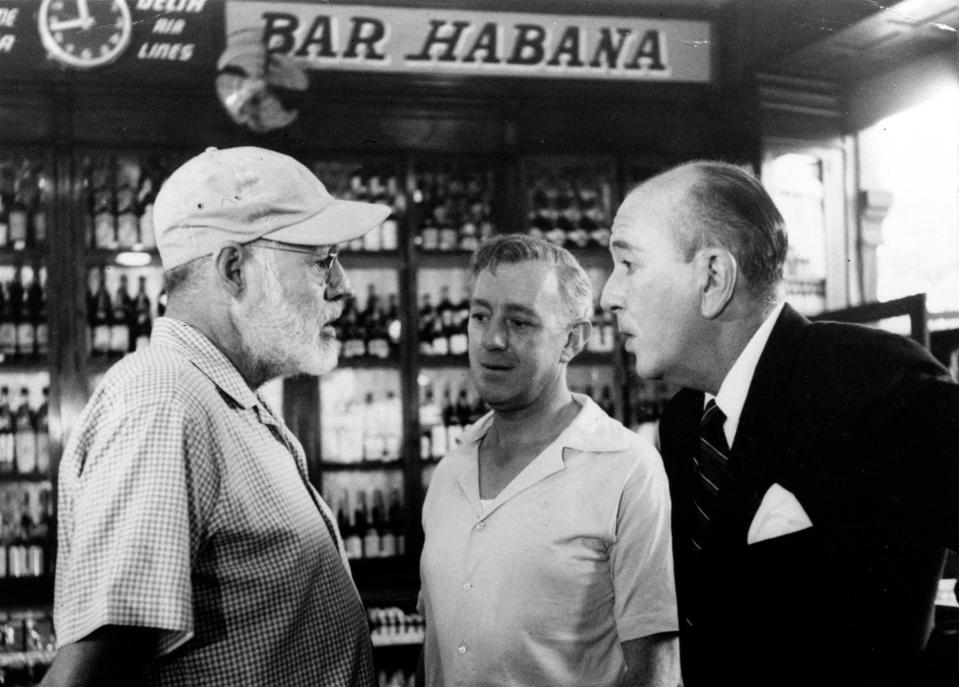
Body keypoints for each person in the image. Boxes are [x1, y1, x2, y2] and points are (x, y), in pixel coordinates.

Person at [601, 160, 959, 687]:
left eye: (628, 265)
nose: (609, 294)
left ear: (714, 278)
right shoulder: (683, 421)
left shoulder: (878, 381)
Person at [43, 146, 391, 687]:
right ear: (234, 269)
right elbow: (91, 673)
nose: (343, 285)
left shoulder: (223, 399)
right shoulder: (164, 401)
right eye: (322, 260)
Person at [418, 234, 680, 687]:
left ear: (572, 340)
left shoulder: (627, 469)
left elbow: (655, 672)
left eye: (521, 323)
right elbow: (438, 651)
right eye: (480, 316)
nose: (493, 339)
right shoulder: (449, 472)